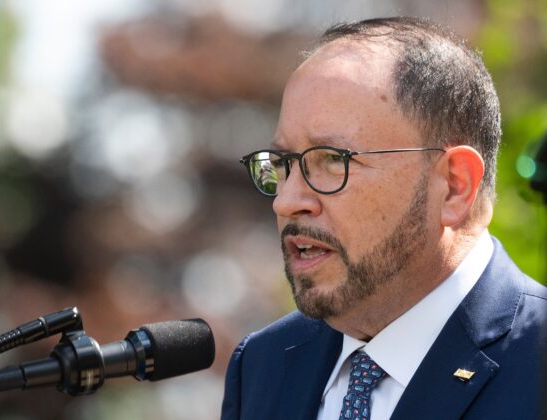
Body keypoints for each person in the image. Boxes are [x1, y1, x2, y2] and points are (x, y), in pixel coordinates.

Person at [221, 17, 547, 420]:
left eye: (331, 161)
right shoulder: (263, 364)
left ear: (454, 186)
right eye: (284, 163)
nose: (287, 201)